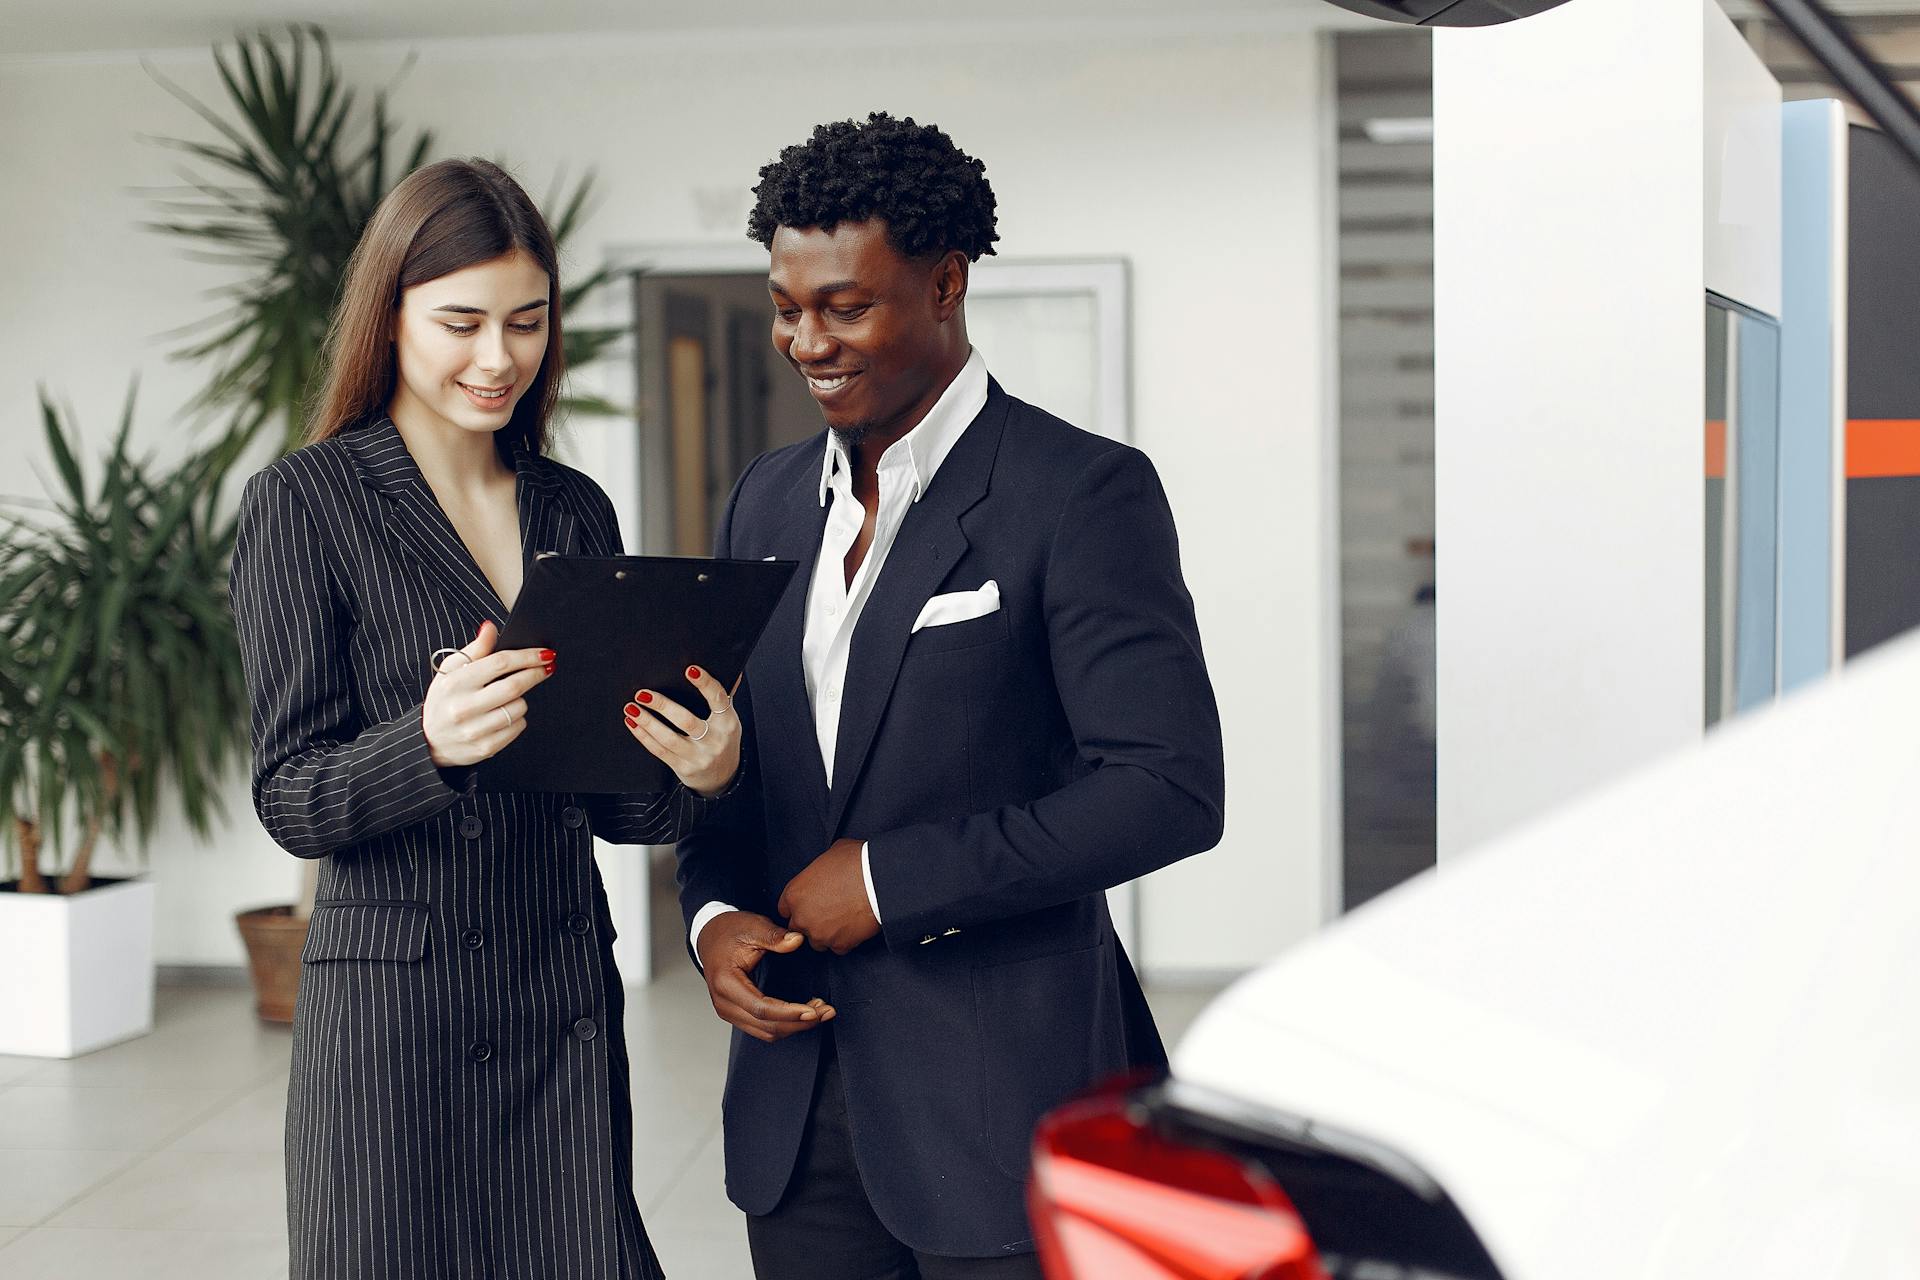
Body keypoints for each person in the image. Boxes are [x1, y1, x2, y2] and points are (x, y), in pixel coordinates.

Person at [675, 114, 1226, 1279]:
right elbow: (748, 775)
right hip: (794, 1106)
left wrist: (887, 878)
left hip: (1001, 1100)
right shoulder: (765, 503)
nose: (804, 340)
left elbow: (1166, 787)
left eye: (844, 306)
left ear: (944, 282)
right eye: (785, 307)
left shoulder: (1079, 492)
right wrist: (713, 916)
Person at [229, 157, 749, 1280]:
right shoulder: (303, 503)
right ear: (392, 315)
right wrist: (428, 744)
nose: (498, 356)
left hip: (557, 998)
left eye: (526, 320)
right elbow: (289, 794)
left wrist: (697, 767)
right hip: (393, 1033)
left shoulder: (574, 506)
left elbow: (622, 801)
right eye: (460, 321)